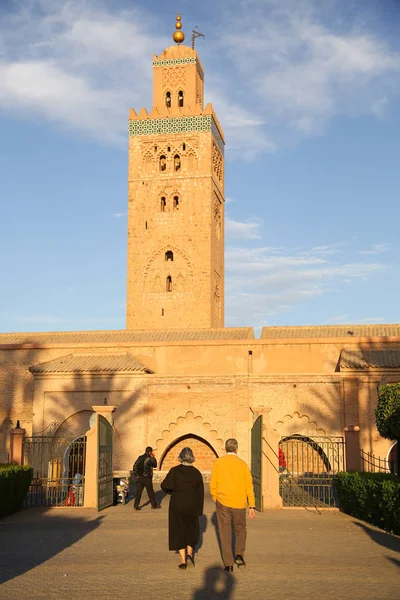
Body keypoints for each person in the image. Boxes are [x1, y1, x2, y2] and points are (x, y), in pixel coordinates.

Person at [209, 438, 255, 571]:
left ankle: (228, 564)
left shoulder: (219, 463)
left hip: (223, 502)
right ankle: (239, 555)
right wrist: (251, 505)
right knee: (240, 530)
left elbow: (213, 484)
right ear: (237, 449)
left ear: (225, 448)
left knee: (224, 532)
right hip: (239, 503)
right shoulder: (242, 464)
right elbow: (249, 486)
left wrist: (215, 498)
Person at [161, 447, 204, 570]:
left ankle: (183, 561)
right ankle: (190, 554)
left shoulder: (174, 471)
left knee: (178, 530)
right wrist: (199, 510)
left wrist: (172, 491)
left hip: (177, 505)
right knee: (191, 529)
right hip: (192, 506)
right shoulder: (196, 473)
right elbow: (200, 493)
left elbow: (165, 486)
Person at [132, 446, 161, 510]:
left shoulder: (140, 457)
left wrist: (136, 474)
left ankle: (136, 505)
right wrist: (153, 457)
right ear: (150, 452)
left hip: (140, 477)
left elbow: (135, 466)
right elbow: (155, 465)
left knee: (138, 492)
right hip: (147, 478)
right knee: (150, 492)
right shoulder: (150, 458)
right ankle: (154, 505)